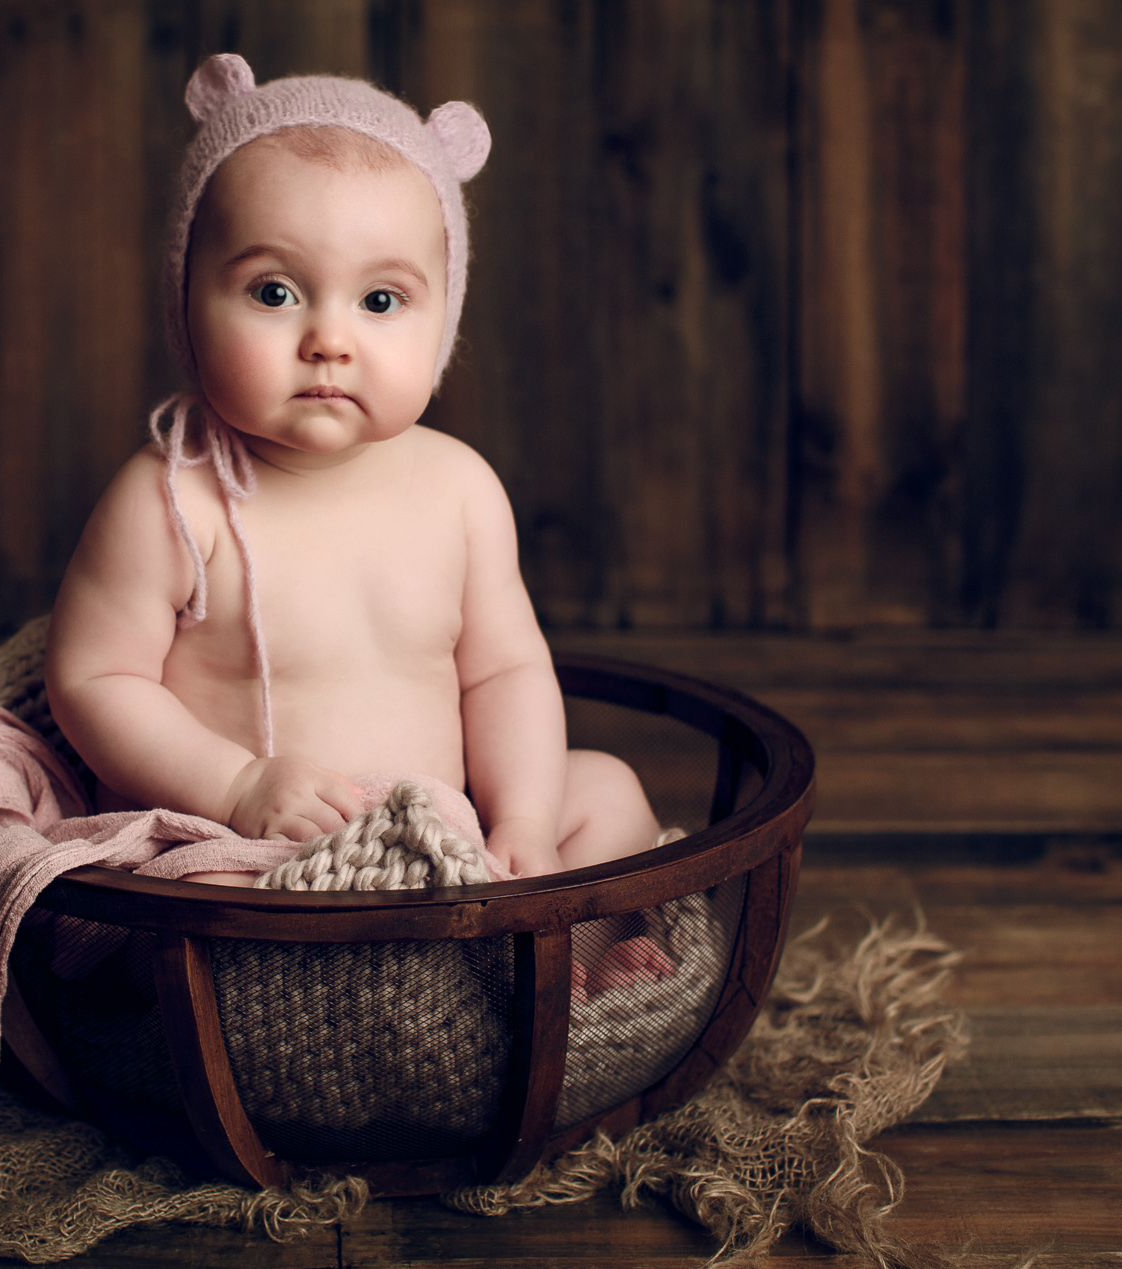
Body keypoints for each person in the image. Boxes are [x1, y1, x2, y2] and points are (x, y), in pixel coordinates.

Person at [45, 54, 661, 886]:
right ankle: (359, 998)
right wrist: (234, 784)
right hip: (254, 847)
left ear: (443, 319)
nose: (328, 339)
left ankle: (560, 962)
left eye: (380, 301)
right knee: (183, 891)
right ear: (186, 298)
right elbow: (93, 679)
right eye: (273, 292)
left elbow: (506, 672)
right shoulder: (174, 498)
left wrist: (522, 821)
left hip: (446, 846)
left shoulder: (461, 490)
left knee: (607, 795)